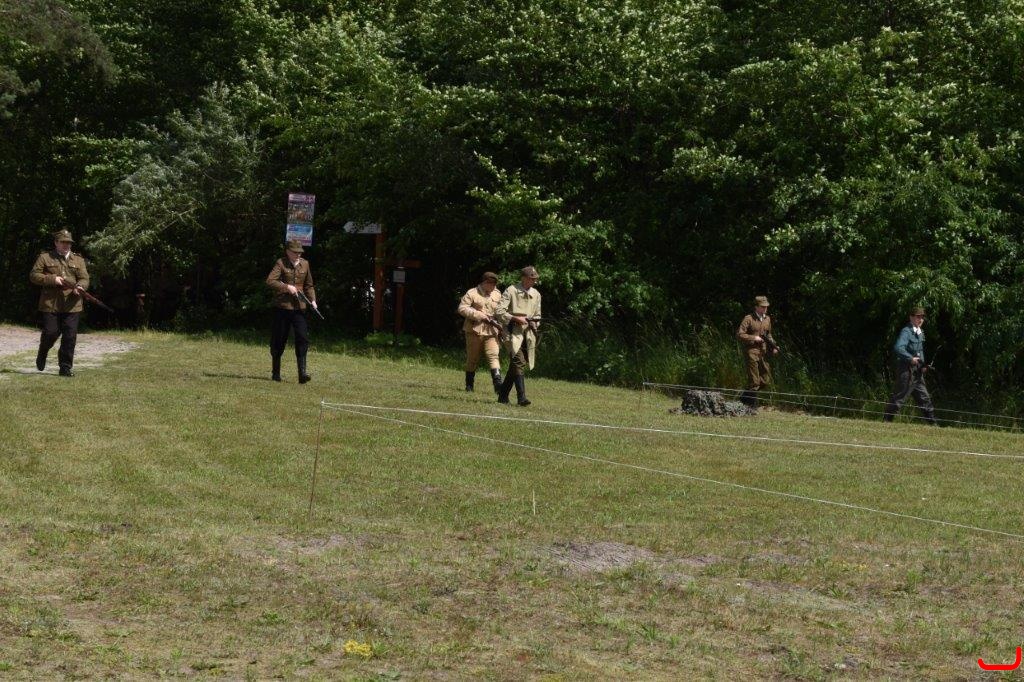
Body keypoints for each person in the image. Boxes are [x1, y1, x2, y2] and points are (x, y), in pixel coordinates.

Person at [29, 229, 90, 377]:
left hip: (72, 304)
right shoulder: (45, 257)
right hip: (51, 303)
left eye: (69, 242)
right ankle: (43, 351)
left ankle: (65, 367)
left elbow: (84, 278)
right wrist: (52, 279)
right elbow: (34, 275)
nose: (66, 245)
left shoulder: (78, 260)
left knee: (70, 336)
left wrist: (80, 287)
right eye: (63, 242)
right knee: (51, 333)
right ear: (56, 243)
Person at [266, 240, 318, 383]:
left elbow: (309, 285)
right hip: (282, 308)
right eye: (295, 252)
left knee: (302, 338)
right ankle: (276, 373)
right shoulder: (281, 263)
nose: (298, 254)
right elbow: (270, 281)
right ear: (288, 252)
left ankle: (302, 374)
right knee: (279, 340)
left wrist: (313, 300)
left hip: (299, 308)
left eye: (300, 252)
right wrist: (287, 287)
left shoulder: (305, 264)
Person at [495, 266, 542, 406]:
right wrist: (515, 318)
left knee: (516, 364)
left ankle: (502, 395)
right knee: (519, 361)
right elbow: (499, 311)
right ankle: (522, 398)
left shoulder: (536, 294)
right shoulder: (511, 290)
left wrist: (535, 324)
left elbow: (537, 315)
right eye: (531, 278)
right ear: (523, 278)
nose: (534, 281)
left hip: (528, 334)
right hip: (511, 332)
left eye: (535, 279)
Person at [883, 306, 937, 424]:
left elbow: (920, 351)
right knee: (899, 398)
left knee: (924, 398)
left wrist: (923, 365)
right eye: (918, 317)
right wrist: (910, 358)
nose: (921, 319)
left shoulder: (920, 332)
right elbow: (898, 348)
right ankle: (886, 421)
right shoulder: (906, 331)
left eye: (922, 317)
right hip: (907, 370)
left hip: (917, 371)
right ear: (911, 317)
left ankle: (933, 425)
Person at [457, 271, 504, 393]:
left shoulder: (497, 294)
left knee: (493, 355)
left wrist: (501, 325)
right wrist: (478, 315)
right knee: (472, 359)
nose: (493, 286)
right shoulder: (472, 293)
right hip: (474, 330)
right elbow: (462, 308)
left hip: (492, 331)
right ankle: (469, 385)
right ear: (484, 283)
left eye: (494, 284)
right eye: (491, 283)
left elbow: (501, 311)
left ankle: (498, 385)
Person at [736, 295, 779, 408]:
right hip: (751, 351)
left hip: (763, 352)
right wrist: (754, 338)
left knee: (765, 380)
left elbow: (768, 335)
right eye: (762, 306)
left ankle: (744, 397)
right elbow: (740, 334)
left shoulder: (767, 319)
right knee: (754, 381)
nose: (765, 308)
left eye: (766, 306)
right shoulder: (748, 318)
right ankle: (751, 407)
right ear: (756, 307)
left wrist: (774, 346)